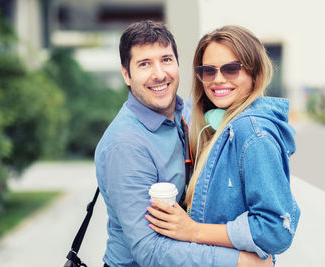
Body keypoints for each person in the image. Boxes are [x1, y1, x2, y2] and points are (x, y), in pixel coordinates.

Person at [95, 21, 273, 266]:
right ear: (127, 74)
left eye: (166, 59)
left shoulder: (187, 116)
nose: (159, 73)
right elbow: (148, 249)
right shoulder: (125, 144)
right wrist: (239, 261)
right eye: (144, 64)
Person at [146, 25, 301, 261]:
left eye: (231, 69)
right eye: (208, 71)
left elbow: (276, 229)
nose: (218, 80)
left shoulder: (252, 133)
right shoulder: (219, 125)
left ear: (254, 74)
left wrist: (193, 230)